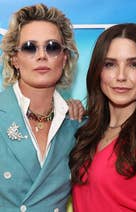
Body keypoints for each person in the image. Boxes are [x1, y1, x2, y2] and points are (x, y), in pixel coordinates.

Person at [0, 4, 82, 211]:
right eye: (30, 47)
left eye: (52, 47)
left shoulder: (78, 125)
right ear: (14, 58)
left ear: (64, 58)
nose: (42, 55)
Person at [70, 23, 136, 212]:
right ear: (98, 71)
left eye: (134, 65)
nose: (120, 76)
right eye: (110, 64)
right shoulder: (86, 132)